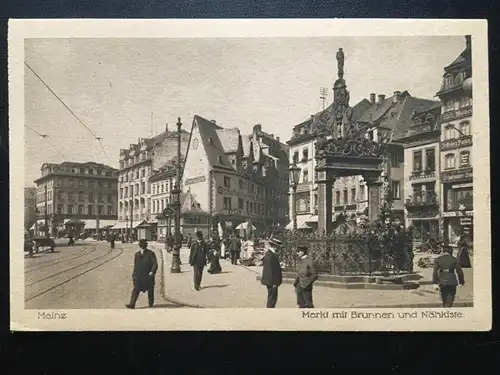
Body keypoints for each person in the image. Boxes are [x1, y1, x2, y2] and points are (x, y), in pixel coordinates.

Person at [126, 239, 158, 309]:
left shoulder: (150, 253)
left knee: (150, 290)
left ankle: (151, 303)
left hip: (148, 276)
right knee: (136, 290)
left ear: (145, 246)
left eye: (143, 245)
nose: (142, 247)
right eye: (141, 245)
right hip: (139, 276)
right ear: (139, 246)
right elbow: (136, 266)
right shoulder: (137, 254)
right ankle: (132, 304)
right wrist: (134, 275)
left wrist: (152, 271)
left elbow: (155, 264)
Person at [260, 238, 283, 308]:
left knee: (273, 298)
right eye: (279, 248)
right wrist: (274, 283)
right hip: (272, 282)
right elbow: (269, 271)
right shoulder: (269, 256)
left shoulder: (272, 254)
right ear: (275, 247)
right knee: (272, 299)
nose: (279, 250)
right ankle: (269, 313)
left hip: (273, 281)